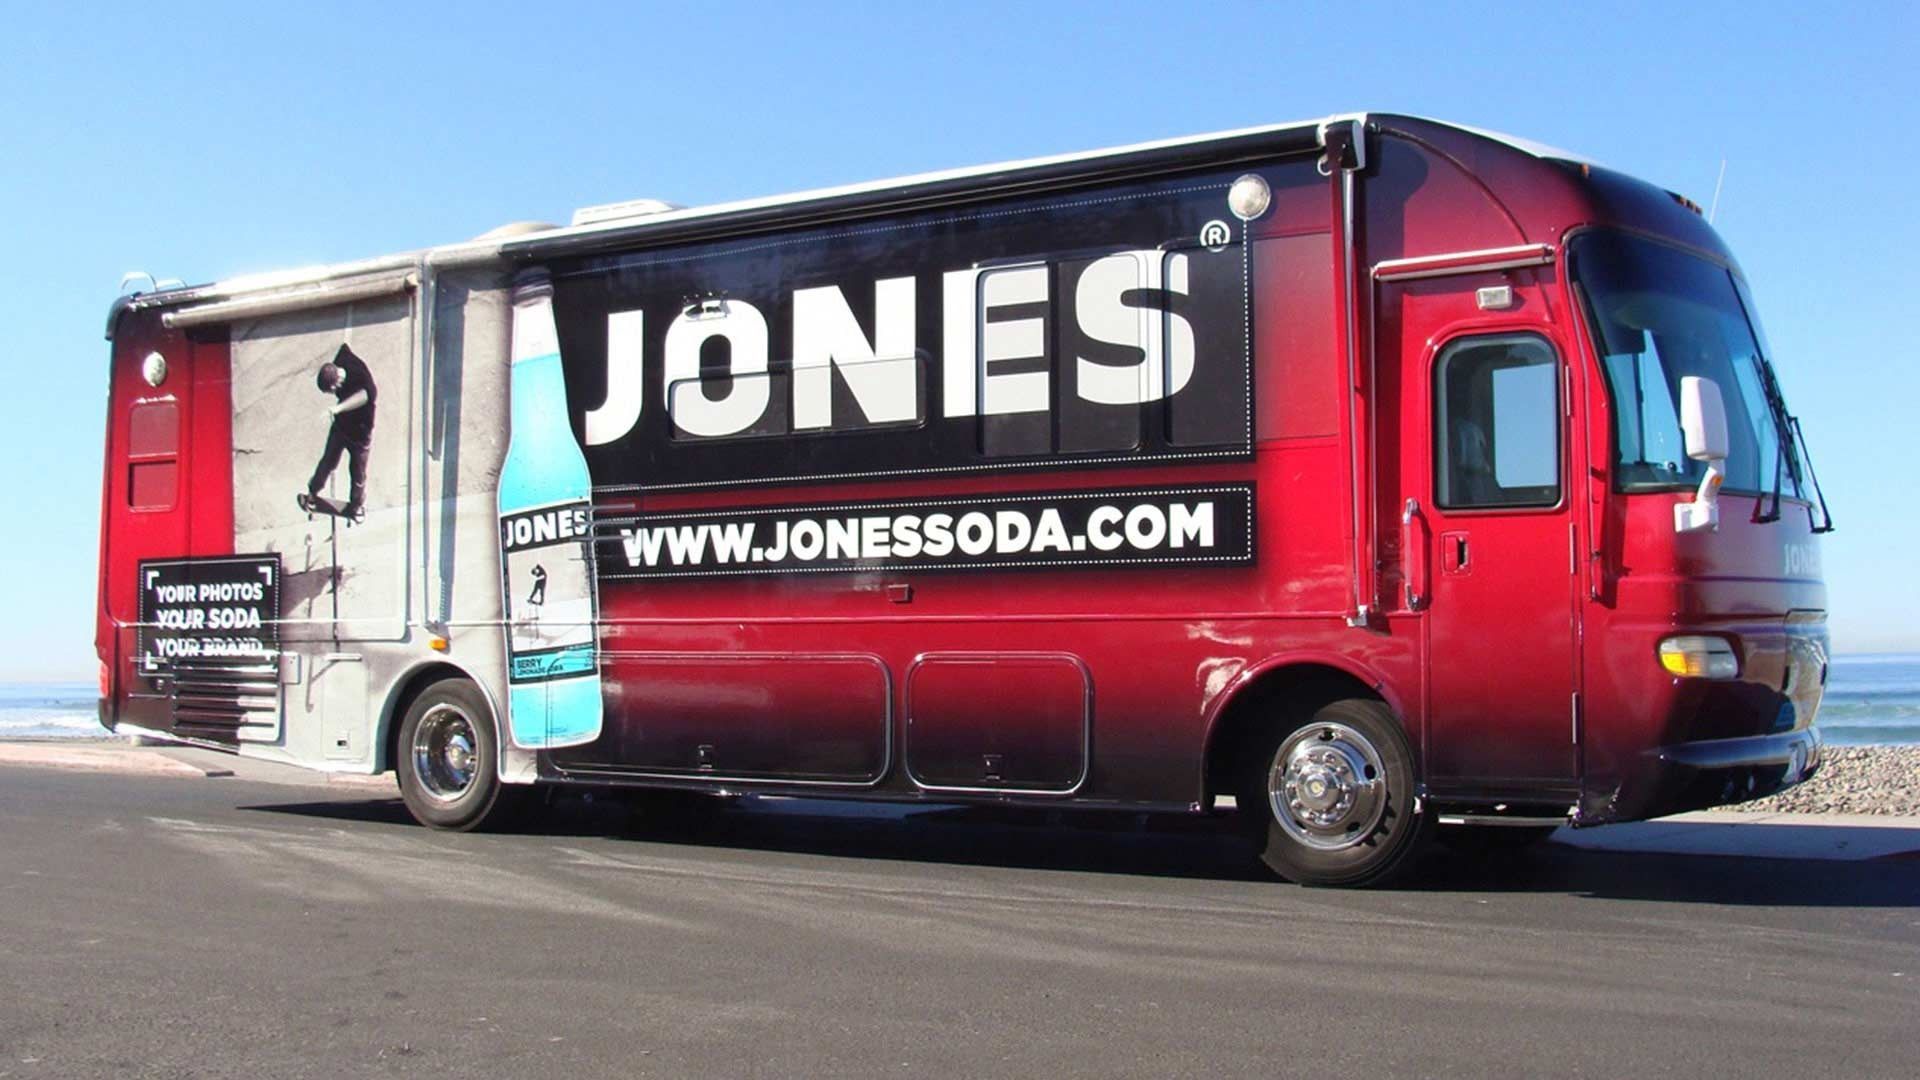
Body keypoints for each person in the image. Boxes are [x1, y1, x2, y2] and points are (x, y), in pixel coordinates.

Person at [307, 343, 377, 519]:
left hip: (361, 434)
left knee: (358, 473)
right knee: (327, 462)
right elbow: (344, 347)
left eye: (332, 392)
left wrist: (337, 408)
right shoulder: (342, 360)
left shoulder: (360, 376)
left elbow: (365, 395)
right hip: (341, 428)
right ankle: (312, 492)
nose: (333, 394)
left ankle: (357, 506)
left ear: (336, 383)